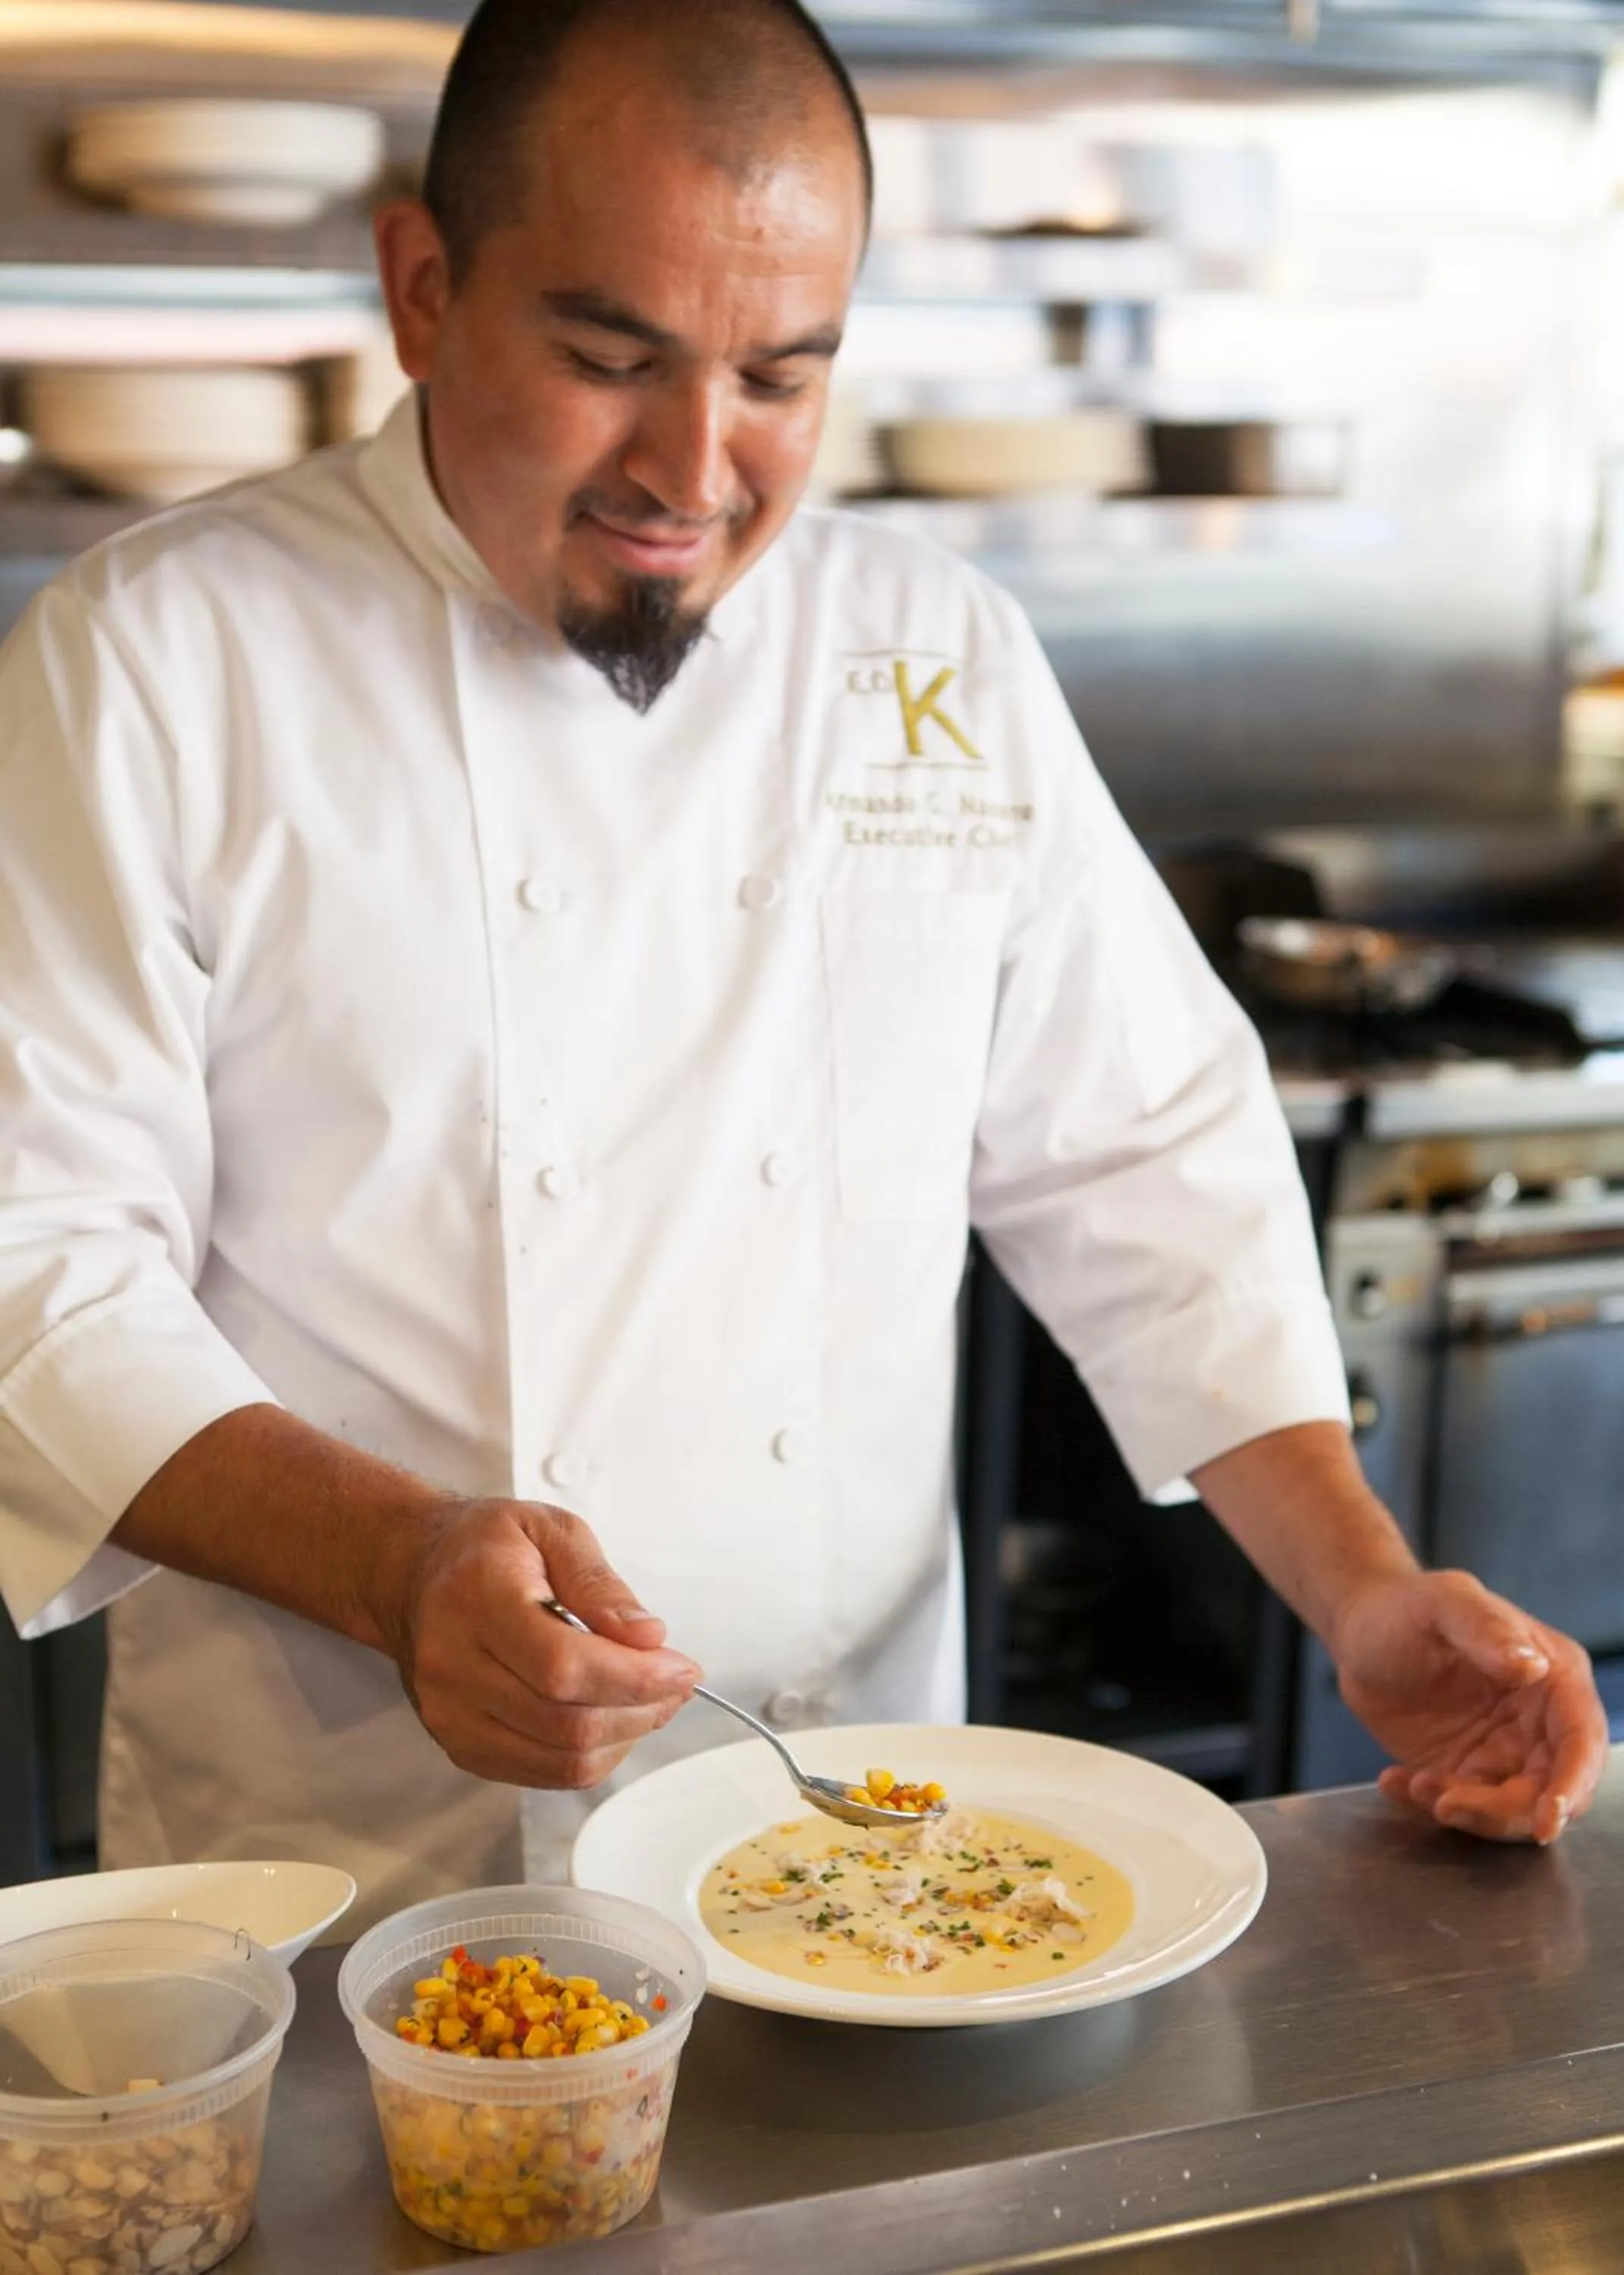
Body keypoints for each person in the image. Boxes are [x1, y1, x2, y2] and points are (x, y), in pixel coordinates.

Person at [0, 0, 1604, 1928]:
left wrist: (1364, 1579)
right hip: (356, 1864)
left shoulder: (933, 658)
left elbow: (1145, 1153)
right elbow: (38, 1255)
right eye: (609, 358)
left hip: (859, 1845)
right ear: (423, 286)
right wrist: (395, 1566)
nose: (693, 471)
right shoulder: (154, 663)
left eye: (780, 376)